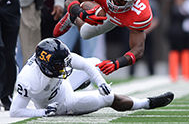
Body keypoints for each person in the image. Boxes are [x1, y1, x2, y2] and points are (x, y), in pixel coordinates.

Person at [9, 38, 174, 117]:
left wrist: (101, 82)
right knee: (108, 98)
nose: (64, 66)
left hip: (59, 83)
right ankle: (146, 103)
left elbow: (85, 65)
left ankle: (83, 84)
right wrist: (43, 112)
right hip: (59, 102)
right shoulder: (28, 79)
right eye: (60, 65)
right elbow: (15, 112)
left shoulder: (56, 58)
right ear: (46, 65)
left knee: (95, 63)